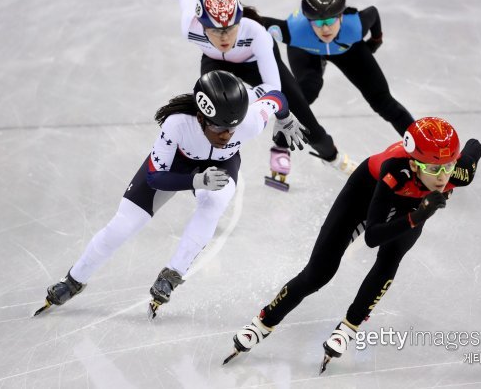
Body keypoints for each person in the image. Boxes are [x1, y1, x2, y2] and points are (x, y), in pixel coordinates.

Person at [34, 70, 307, 318]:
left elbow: (275, 96)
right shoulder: (177, 124)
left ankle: (173, 274)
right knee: (123, 226)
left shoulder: (249, 122)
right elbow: (155, 177)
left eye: (230, 130)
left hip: (222, 165)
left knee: (213, 203)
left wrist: (285, 117)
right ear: (201, 117)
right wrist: (196, 180)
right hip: (175, 165)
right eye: (218, 128)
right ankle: (73, 280)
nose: (225, 136)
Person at [224, 117, 481, 373]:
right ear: (415, 166)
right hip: (366, 194)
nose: (442, 176)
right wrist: (418, 216)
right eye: (433, 169)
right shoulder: (394, 169)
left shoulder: (459, 172)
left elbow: (475, 147)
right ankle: (263, 322)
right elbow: (372, 237)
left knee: (390, 260)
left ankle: (349, 326)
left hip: (414, 206)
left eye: (448, 166)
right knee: (317, 274)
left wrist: (450, 165)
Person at [130, 0, 357, 190]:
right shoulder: (190, 27)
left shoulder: (257, 33)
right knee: (210, 114)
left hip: (255, 63)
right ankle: (197, 167)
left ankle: (332, 156)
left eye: (230, 28)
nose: (225, 38)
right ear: (202, 25)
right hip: (216, 63)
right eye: (216, 31)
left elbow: (273, 89)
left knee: (303, 119)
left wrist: (268, 109)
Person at [262, 0, 415, 155]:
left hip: (347, 49)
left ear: (341, 16)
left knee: (383, 102)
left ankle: (421, 146)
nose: (325, 28)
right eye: (318, 23)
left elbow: (373, 12)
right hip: (306, 49)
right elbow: (251, 21)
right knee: (306, 92)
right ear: (308, 21)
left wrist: (376, 40)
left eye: (330, 21)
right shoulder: (293, 32)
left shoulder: (355, 26)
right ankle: (281, 148)